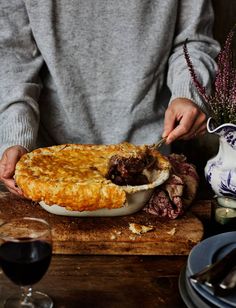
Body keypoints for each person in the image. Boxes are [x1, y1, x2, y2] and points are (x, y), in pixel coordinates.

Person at [0, 0, 220, 196]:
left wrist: (188, 93)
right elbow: (14, 57)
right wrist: (17, 135)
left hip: (148, 162)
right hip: (47, 163)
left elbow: (194, 41)